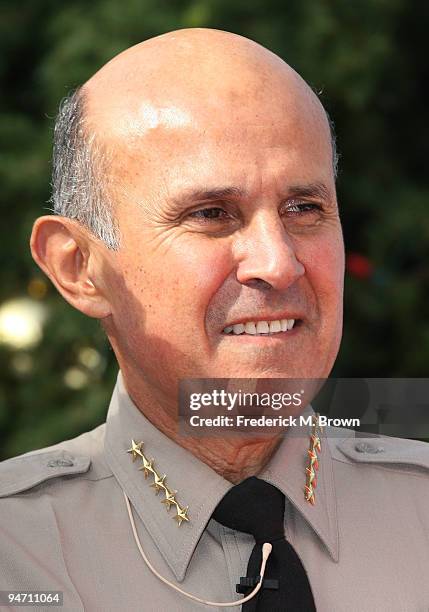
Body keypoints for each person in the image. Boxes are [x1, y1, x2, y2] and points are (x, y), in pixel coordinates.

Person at [0, 28, 428, 611]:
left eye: (304, 208)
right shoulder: (18, 551)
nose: (278, 264)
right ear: (79, 267)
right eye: (211, 214)